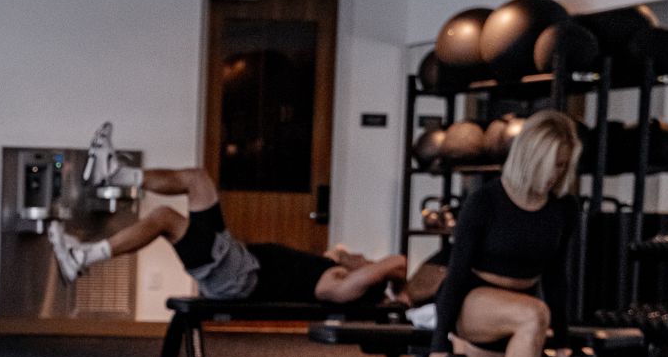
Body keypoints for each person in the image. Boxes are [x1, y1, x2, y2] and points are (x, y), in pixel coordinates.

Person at [49, 124, 406, 307]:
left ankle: (84, 257)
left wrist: (385, 280)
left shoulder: (338, 286)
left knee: (164, 218)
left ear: (366, 276)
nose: (361, 254)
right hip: (235, 258)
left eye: (365, 261)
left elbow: (396, 262)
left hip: (236, 278)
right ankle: (115, 173)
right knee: (197, 178)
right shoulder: (334, 267)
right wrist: (345, 258)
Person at [424, 109, 579, 357]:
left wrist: (564, 341)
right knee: (533, 314)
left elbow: (556, 275)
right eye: (550, 165)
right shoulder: (485, 201)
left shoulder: (564, 207)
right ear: (529, 157)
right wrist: (437, 344)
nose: (555, 175)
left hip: (516, 307)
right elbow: (457, 271)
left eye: (562, 166)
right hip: (474, 298)